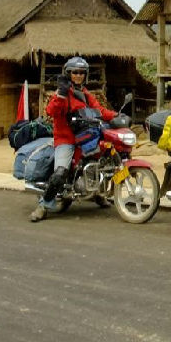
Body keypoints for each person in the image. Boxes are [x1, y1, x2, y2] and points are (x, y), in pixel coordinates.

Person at [29, 56, 116, 222]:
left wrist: (117, 116)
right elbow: (51, 111)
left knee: (105, 161)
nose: (78, 75)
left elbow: (99, 110)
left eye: (82, 72)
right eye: (75, 72)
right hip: (66, 139)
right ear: (68, 74)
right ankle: (43, 205)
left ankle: (97, 193)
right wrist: (61, 94)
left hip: (85, 138)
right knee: (60, 172)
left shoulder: (85, 94)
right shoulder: (62, 93)